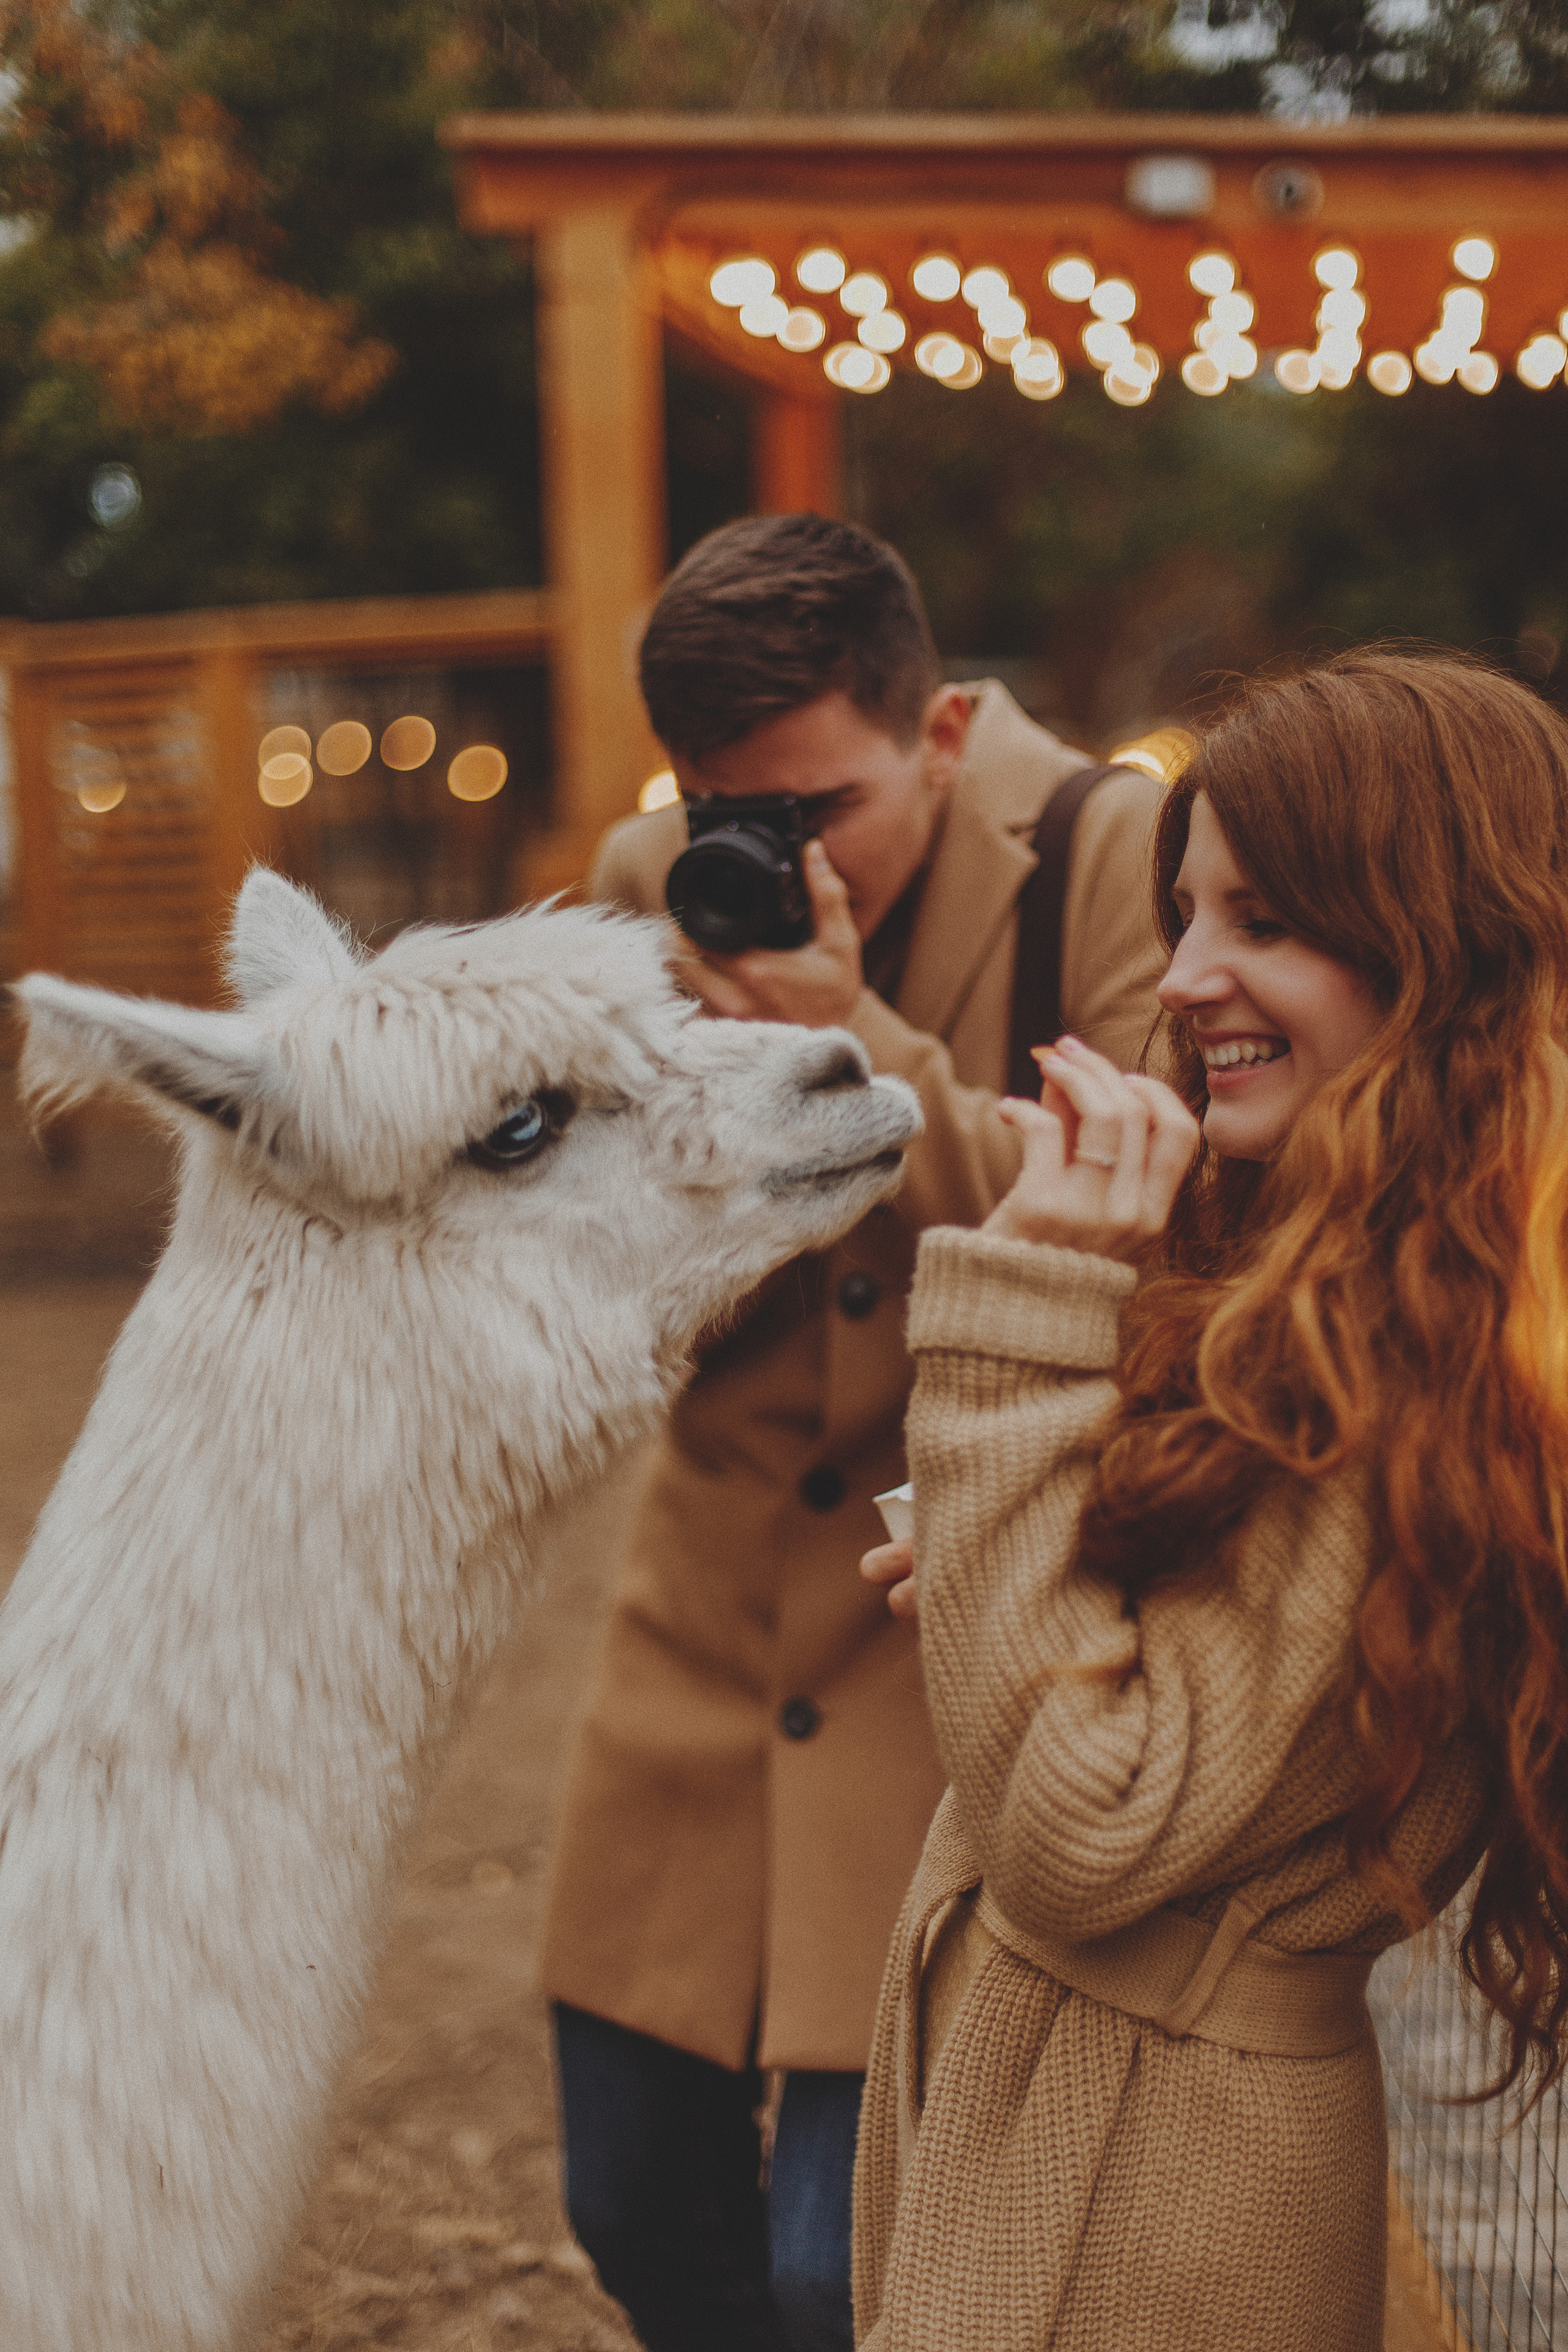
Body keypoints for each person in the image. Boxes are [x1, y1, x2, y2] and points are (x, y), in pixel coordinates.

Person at [853, 646, 1568, 2352]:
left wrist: (1031, 1318)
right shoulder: (1351, 1269)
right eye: (1184, 915)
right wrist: (994, 1552)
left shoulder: (1415, 1351)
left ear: (1433, 943)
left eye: (1262, 919)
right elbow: (1195, 1707)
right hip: (1097, 2124)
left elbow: (1087, 1831)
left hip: (1147, 2191)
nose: (1183, 979)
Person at [540, 513, 1167, 2352]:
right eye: (721, 804)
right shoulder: (656, 876)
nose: (765, 855)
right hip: (705, 1627)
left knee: (844, 2266)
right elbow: (614, 1274)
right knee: (633, 2204)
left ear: (947, 730)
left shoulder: (1104, 853)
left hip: (958, 1625)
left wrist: (853, 1058)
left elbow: (1138, 1232)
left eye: (818, 811)